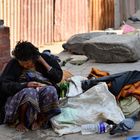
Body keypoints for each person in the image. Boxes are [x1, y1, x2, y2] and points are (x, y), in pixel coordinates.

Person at [0, 41, 63, 132]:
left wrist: (43, 62)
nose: (26, 66)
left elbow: (58, 78)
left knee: (51, 89)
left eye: (28, 63)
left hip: (41, 93)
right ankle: (21, 122)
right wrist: (25, 85)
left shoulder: (45, 59)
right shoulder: (13, 64)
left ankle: (41, 119)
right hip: (20, 96)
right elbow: (4, 85)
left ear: (34, 58)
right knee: (29, 92)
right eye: (23, 64)